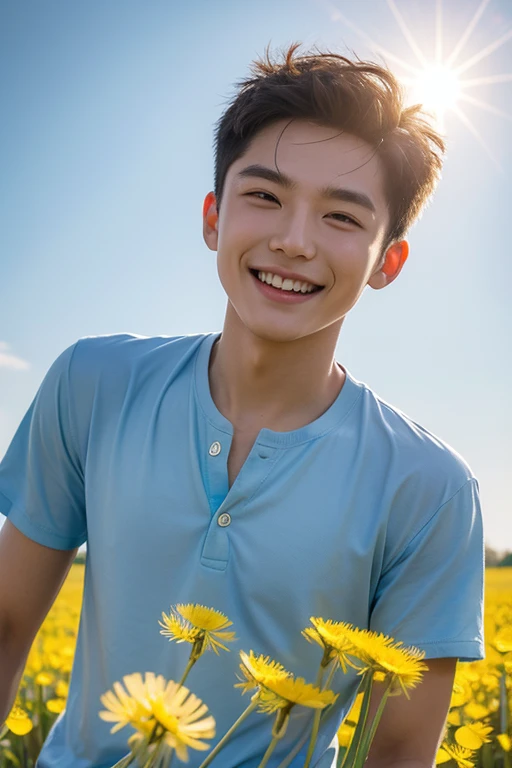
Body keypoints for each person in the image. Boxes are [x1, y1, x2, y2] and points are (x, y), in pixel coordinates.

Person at [0, 43, 484, 768]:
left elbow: (399, 751)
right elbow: (6, 623)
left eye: (342, 218)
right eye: (264, 196)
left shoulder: (433, 489)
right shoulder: (91, 382)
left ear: (389, 261)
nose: (293, 242)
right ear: (213, 218)